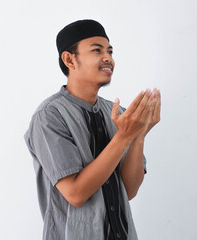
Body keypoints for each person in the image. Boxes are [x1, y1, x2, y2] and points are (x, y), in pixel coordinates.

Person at [24, 19, 161, 240]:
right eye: (97, 50)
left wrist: (138, 137)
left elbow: (129, 190)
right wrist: (124, 136)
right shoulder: (50, 116)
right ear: (69, 59)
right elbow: (76, 194)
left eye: (110, 51)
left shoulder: (115, 113)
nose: (108, 58)